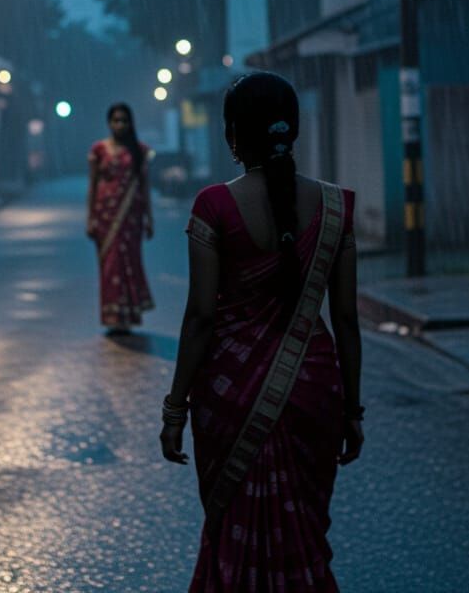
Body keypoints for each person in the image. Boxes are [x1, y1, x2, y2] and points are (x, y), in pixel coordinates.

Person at [159, 72, 363, 592]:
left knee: (235, 528)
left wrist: (175, 408)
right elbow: (345, 321)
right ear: (290, 130)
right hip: (315, 389)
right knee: (300, 532)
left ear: (233, 135)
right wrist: (352, 411)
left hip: (230, 391)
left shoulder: (213, 206)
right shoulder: (336, 208)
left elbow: (201, 316)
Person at [86, 103, 156, 333]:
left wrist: (149, 218)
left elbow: (144, 186)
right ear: (109, 123)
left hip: (131, 218)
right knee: (110, 266)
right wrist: (90, 219)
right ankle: (113, 316)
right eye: (116, 120)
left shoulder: (139, 150)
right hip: (105, 217)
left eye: (124, 120)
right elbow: (93, 186)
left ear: (130, 123)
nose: (120, 125)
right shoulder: (99, 150)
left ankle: (127, 316)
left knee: (129, 263)